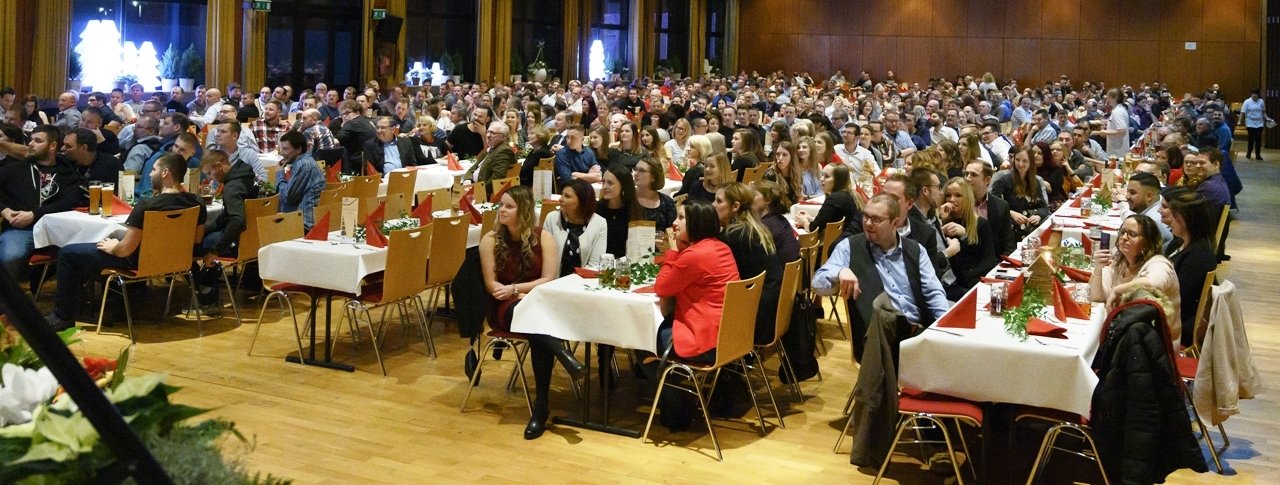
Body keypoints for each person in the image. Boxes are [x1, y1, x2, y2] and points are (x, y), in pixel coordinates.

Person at [44, 153, 207, 330]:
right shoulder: (197, 202)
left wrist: (113, 247)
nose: (150, 174)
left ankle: (62, 316)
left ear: (165, 173)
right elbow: (196, 240)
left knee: (68, 253)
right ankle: (116, 307)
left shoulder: (147, 206)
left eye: (153, 170)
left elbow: (124, 251)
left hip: (140, 262)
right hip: (174, 262)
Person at [479, 185, 585, 440]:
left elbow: (549, 278)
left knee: (538, 327)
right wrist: (516, 293)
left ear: (523, 211)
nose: (502, 211)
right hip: (504, 306)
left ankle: (541, 407)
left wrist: (518, 288)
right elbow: (492, 285)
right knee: (537, 322)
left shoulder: (543, 238)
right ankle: (562, 356)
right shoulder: (490, 240)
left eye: (509, 206)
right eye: (501, 205)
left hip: (536, 302)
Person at [813, 194, 950, 363]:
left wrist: (944, 326)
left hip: (917, 333)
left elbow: (933, 291)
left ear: (895, 222)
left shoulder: (916, 250)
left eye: (876, 219)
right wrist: (839, 271)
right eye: (866, 216)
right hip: (876, 339)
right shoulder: (849, 247)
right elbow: (817, 285)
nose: (868, 223)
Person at [650, 198, 739, 430]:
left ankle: (679, 412)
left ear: (696, 222)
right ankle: (679, 406)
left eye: (681, 218)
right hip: (730, 336)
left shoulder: (696, 255)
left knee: (644, 338)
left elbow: (662, 287)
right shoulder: (720, 247)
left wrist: (671, 252)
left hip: (705, 339)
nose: (674, 223)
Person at [0, 125, 85, 280]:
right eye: (31, 140)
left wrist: (34, 214)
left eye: (37, 141)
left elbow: (68, 202)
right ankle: (9, 302)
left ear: (52, 145)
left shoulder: (67, 172)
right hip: (22, 229)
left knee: (85, 252)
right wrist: (4, 210)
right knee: (11, 257)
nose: (30, 144)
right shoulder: (15, 168)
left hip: (58, 229)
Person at [193, 149, 261, 314]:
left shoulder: (232, 188)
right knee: (199, 237)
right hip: (252, 239)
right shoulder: (246, 175)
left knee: (192, 247)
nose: (210, 178)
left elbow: (237, 220)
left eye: (210, 173)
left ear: (219, 165)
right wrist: (203, 229)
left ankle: (206, 296)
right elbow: (224, 218)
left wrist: (216, 250)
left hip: (236, 240)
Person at [1091, 214, 1180, 338]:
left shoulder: (1159, 263)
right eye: (1122, 232)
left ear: (1148, 243)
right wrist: (1098, 269)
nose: (1124, 238)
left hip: (1156, 345)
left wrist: (1117, 290)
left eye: (1132, 234)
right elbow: (1097, 296)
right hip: (1127, 335)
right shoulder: (1120, 262)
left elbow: (1154, 283)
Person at [715, 182, 782, 346]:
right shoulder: (756, 227)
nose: (713, 205)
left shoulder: (733, 235)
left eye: (718, 201)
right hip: (774, 309)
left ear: (735, 206)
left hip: (757, 317)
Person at [1160, 186, 1218, 348]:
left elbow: (1179, 299)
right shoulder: (1178, 242)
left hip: (1180, 324)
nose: (1170, 219)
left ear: (1189, 220)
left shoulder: (1199, 256)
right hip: (1171, 312)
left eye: (1175, 216)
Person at [939, 177, 997, 300]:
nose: (952, 200)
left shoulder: (980, 224)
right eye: (948, 195)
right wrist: (940, 220)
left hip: (974, 280)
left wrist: (964, 236)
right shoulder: (940, 222)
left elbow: (989, 260)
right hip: (951, 284)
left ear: (967, 198)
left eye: (958, 195)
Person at [542, 179, 607, 276]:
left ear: (582, 201)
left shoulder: (599, 223)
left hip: (583, 283)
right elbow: (544, 258)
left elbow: (595, 264)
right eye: (562, 194)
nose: (560, 199)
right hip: (553, 282)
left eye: (567, 196)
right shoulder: (552, 218)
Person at [991, 144, 1051, 241]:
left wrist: (1038, 215)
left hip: (1031, 227)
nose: (1020, 164)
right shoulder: (1003, 181)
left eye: (1025, 161)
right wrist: (1011, 213)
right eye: (1017, 160)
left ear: (1031, 162)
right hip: (1010, 227)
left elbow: (1044, 207)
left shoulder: (1035, 182)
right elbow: (993, 205)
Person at [795, 163, 863, 245]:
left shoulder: (835, 199)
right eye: (822, 175)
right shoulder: (847, 194)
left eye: (826, 176)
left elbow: (813, 229)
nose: (821, 179)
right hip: (852, 241)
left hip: (844, 245)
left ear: (838, 180)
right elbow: (827, 221)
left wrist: (804, 222)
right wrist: (810, 218)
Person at [276, 131, 326, 230]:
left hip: (304, 223)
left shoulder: (303, 165)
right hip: (302, 218)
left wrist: (279, 174)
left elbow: (287, 197)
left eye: (285, 149)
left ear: (298, 149)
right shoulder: (306, 161)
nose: (281, 153)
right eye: (281, 148)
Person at [963, 160, 1013, 255]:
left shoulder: (1001, 206)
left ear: (987, 180)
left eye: (973, 175)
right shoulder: (958, 204)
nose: (968, 178)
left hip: (994, 261)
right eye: (966, 174)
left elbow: (1008, 243)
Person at [596, 164, 641, 259]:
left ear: (623, 186)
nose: (605, 187)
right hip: (600, 263)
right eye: (603, 182)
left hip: (627, 264)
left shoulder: (634, 211)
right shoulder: (596, 210)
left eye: (610, 183)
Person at [363, 115, 429, 174]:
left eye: (383, 128)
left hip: (405, 178)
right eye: (377, 127)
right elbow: (370, 169)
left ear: (393, 129)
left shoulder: (405, 142)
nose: (379, 131)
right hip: (384, 180)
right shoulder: (370, 145)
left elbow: (412, 164)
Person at [1125, 172, 1172, 250]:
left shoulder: (1152, 221)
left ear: (1149, 196)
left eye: (1132, 193)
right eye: (1127, 191)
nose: (1127, 196)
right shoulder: (1154, 213)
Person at [332, 100, 378, 174]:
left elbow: (337, 140)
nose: (344, 116)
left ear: (357, 112)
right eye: (342, 114)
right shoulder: (369, 121)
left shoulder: (351, 123)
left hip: (360, 164)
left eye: (347, 113)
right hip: (375, 161)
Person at [633, 157, 677, 232]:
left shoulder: (667, 202)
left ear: (653, 177)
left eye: (641, 170)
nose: (636, 173)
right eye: (635, 169)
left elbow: (672, 232)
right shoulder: (627, 198)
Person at [1241, 90, 1267, 161]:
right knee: (1251, 138)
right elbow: (1243, 112)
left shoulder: (1261, 101)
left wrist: (1267, 118)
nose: (1254, 95)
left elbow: (1263, 112)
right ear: (1251, 94)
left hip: (1259, 123)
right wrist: (1239, 121)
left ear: (1258, 95)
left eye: (1256, 94)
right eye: (1253, 94)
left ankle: (1258, 155)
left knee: (1258, 139)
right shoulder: (1247, 102)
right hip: (1250, 123)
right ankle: (1249, 153)